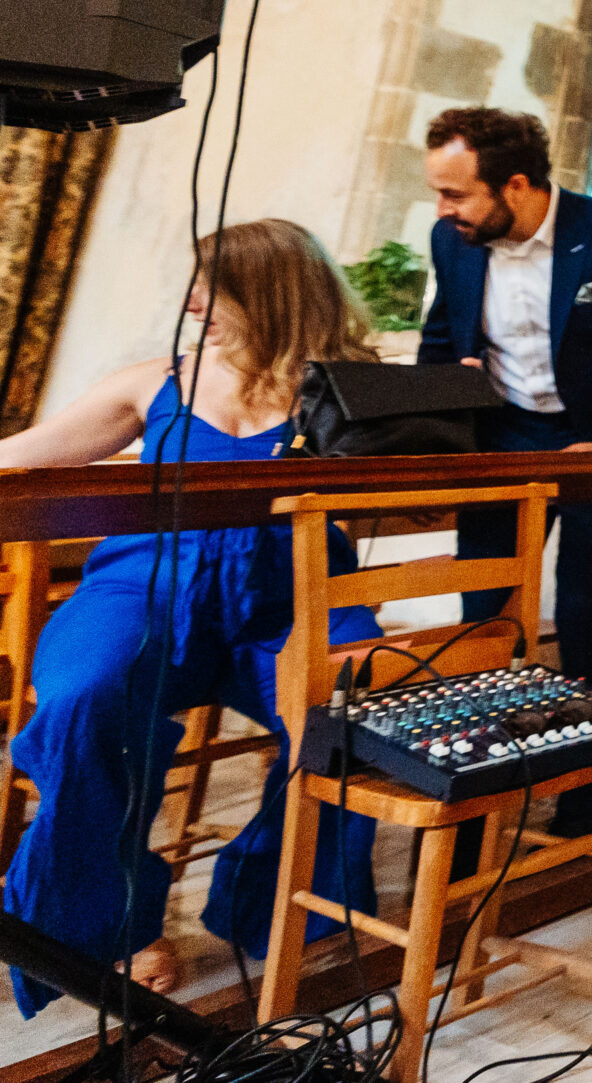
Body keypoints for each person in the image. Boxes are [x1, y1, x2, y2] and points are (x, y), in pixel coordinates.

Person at [0, 220, 383, 1013]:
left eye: (214, 287)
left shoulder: (343, 390)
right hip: (145, 588)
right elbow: (27, 452)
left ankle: (266, 901)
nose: (193, 302)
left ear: (269, 293)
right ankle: (115, 925)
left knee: (358, 692)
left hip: (284, 597)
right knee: (82, 697)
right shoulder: (157, 381)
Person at [419, 106, 592, 837]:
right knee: (483, 618)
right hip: (502, 440)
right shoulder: (454, 242)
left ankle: (584, 794)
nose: (443, 212)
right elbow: (440, 338)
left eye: (455, 194)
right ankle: (476, 803)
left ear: (515, 182)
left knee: (583, 606)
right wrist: (449, 402)